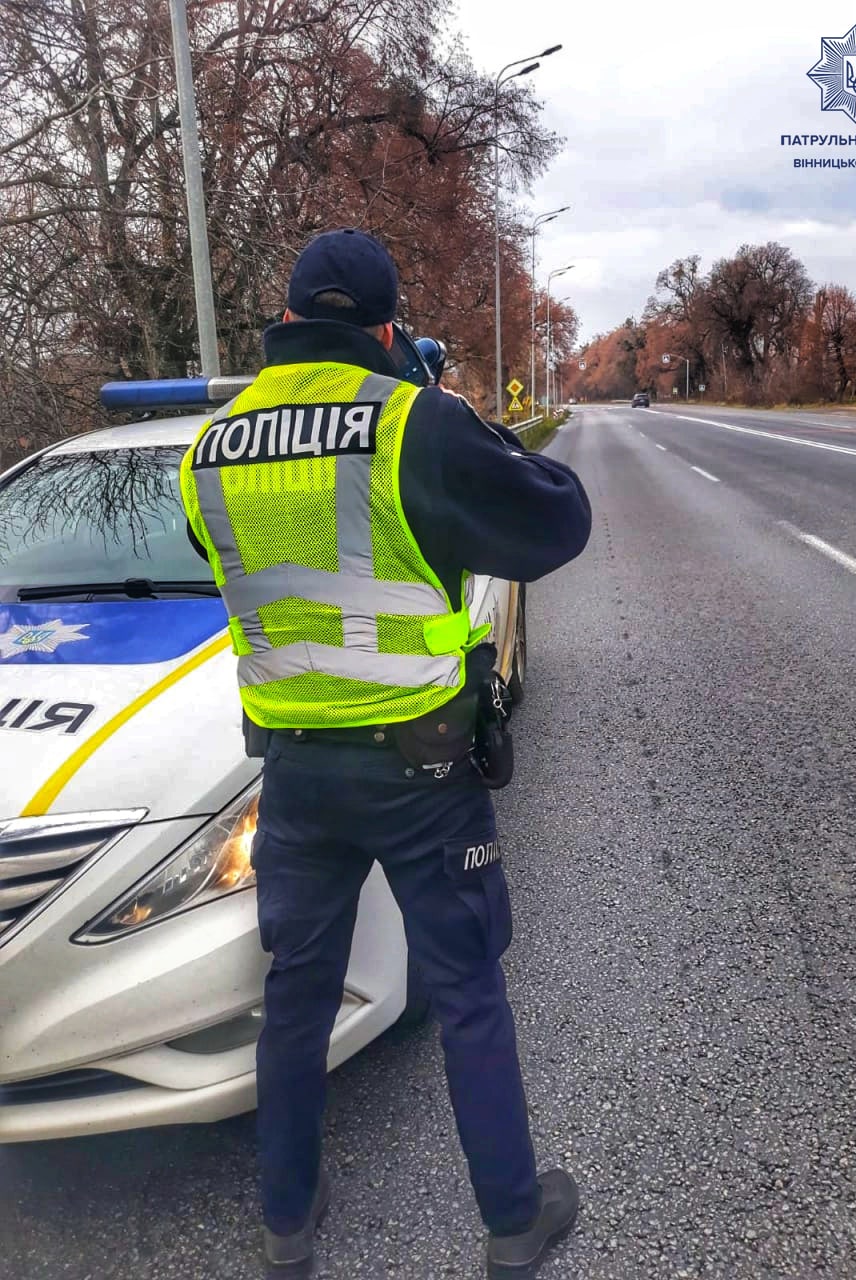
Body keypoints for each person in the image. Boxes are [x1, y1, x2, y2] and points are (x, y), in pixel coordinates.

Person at [179, 227, 592, 1278]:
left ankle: (287, 1217)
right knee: (466, 990)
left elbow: (231, 558)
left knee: (296, 998)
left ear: (285, 319)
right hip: (421, 773)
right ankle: (510, 1221)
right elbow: (557, 522)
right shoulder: (417, 423)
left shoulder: (209, 448)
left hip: (296, 780)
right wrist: (452, 419)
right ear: (387, 324)